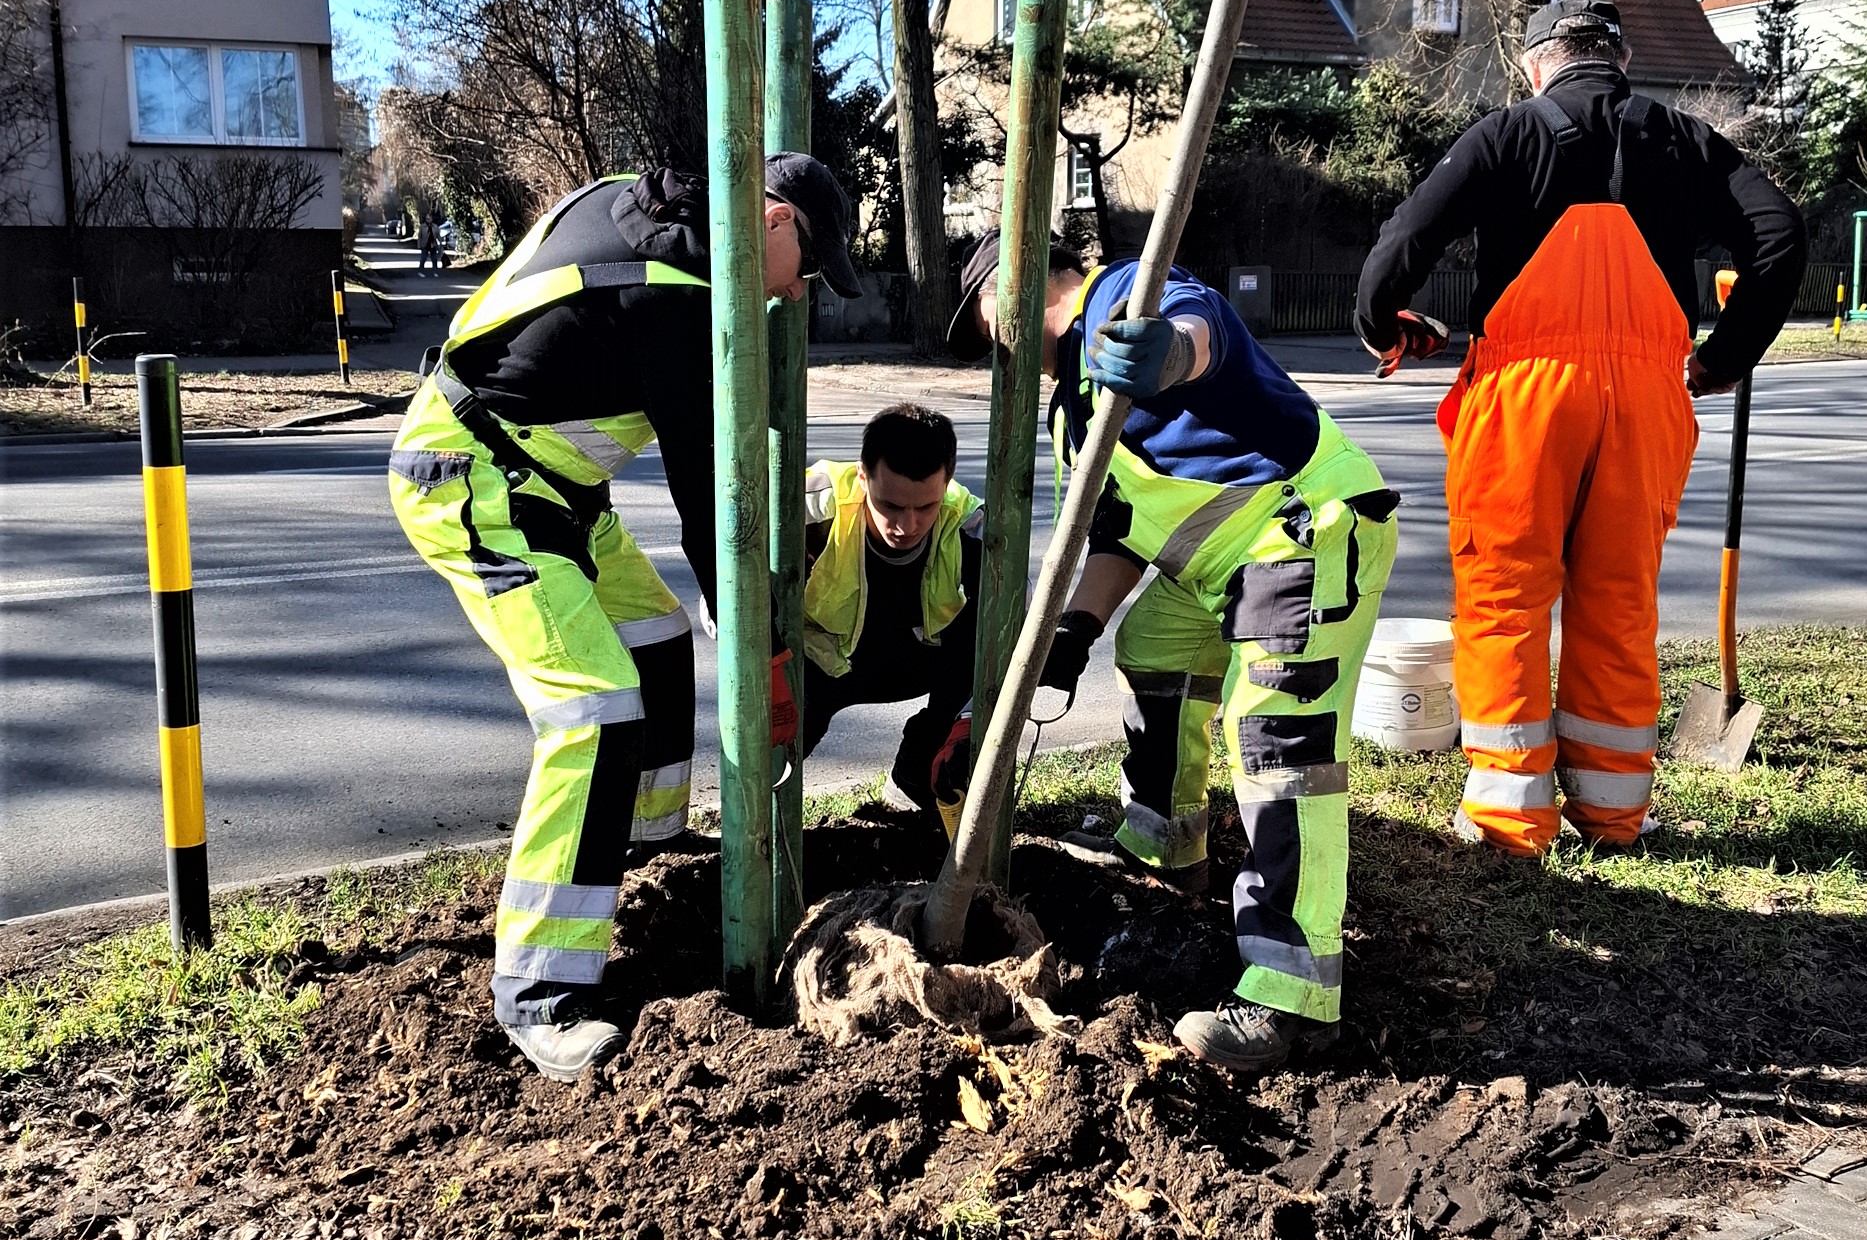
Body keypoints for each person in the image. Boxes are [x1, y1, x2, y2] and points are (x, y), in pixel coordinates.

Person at [388, 155, 864, 1081]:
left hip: (561, 491)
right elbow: (709, 510)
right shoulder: (676, 298)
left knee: (653, 636)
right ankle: (540, 991)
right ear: (771, 220)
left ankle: (637, 847)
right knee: (593, 710)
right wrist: (761, 651)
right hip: (478, 481)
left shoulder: (650, 210)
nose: (801, 295)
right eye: (805, 269)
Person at [1355, 0, 1806, 857]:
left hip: (1524, 397)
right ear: (1622, 60)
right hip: (1646, 400)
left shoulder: (1502, 135)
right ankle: (1611, 816)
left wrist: (1384, 324)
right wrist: (1723, 355)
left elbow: (1401, 242)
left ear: (1535, 66)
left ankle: (1509, 821)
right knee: (1618, 601)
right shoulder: (1681, 138)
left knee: (1504, 599)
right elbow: (1779, 232)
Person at [949, 233, 1399, 1079]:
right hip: (1219, 570)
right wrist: (1074, 629)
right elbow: (1118, 534)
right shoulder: (1068, 409)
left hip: (1300, 529)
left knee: (1273, 738)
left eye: (983, 329)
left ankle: (1291, 1000)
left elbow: (1205, 327)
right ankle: (1166, 851)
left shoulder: (1122, 295)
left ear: (1004, 294)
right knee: (1151, 645)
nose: (993, 356)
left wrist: (1168, 353)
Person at [800, 403, 984, 827]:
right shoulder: (803, 509)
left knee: (975, 669)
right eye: (891, 506)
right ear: (863, 476)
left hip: (914, 660)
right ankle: (766, 818)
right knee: (776, 740)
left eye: (926, 507)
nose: (908, 525)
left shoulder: (972, 526)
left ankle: (917, 778)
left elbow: (1013, 632)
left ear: (947, 482)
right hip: (819, 665)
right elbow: (726, 598)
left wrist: (969, 720)